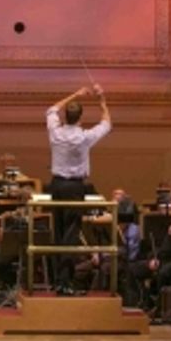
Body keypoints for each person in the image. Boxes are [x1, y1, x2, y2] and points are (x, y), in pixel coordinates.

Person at [45, 85, 112, 244]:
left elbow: (52, 110)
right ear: (80, 119)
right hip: (75, 187)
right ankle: (67, 260)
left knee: (58, 228)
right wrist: (101, 100)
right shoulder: (84, 137)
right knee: (72, 229)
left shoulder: (55, 132)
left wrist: (76, 94)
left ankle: (58, 259)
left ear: (64, 117)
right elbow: (106, 124)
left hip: (56, 184)